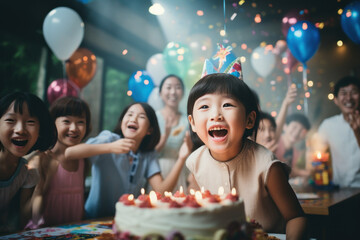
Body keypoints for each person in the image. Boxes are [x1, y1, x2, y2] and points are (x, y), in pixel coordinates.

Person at [186, 73, 307, 239]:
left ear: (249, 120)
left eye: (227, 104)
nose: (216, 115)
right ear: (192, 122)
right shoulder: (195, 162)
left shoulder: (266, 164)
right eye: (204, 106)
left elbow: (296, 217)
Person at [65, 102, 191, 219]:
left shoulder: (148, 155)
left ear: (149, 130)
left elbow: (161, 190)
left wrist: (181, 158)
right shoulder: (109, 139)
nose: (133, 119)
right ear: (122, 122)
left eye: (141, 116)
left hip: (125, 221)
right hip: (93, 220)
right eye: (129, 114)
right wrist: (110, 148)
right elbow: (70, 153)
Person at [26, 96, 91, 228]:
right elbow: (32, 210)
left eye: (80, 122)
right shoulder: (41, 159)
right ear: (52, 124)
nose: (73, 128)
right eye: (66, 121)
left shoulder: (84, 160)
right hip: (46, 232)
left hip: (74, 232)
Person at [0, 92, 57, 233]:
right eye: (10, 121)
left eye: (30, 122)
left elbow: (24, 219)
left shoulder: (27, 172)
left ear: (40, 130)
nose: (20, 130)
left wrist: (42, 179)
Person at [316, 76, 360, 187]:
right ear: (336, 100)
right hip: (339, 189)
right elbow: (315, 150)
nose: (349, 98)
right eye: (343, 93)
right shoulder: (328, 125)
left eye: (354, 92)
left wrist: (357, 132)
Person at [154, 74, 191, 192]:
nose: (173, 92)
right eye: (168, 87)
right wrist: (164, 139)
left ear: (183, 93)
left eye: (178, 87)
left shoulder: (188, 120)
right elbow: (147, 154)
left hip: (180, 170)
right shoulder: (152, 118)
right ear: (160, 93)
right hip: (156, 172)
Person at [275, 113, 311, 178]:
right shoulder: (274, 142)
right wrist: (301, 172)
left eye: (301, 131)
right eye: (294, 127)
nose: (297, 133)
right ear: (284, 126)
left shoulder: (296, 153)